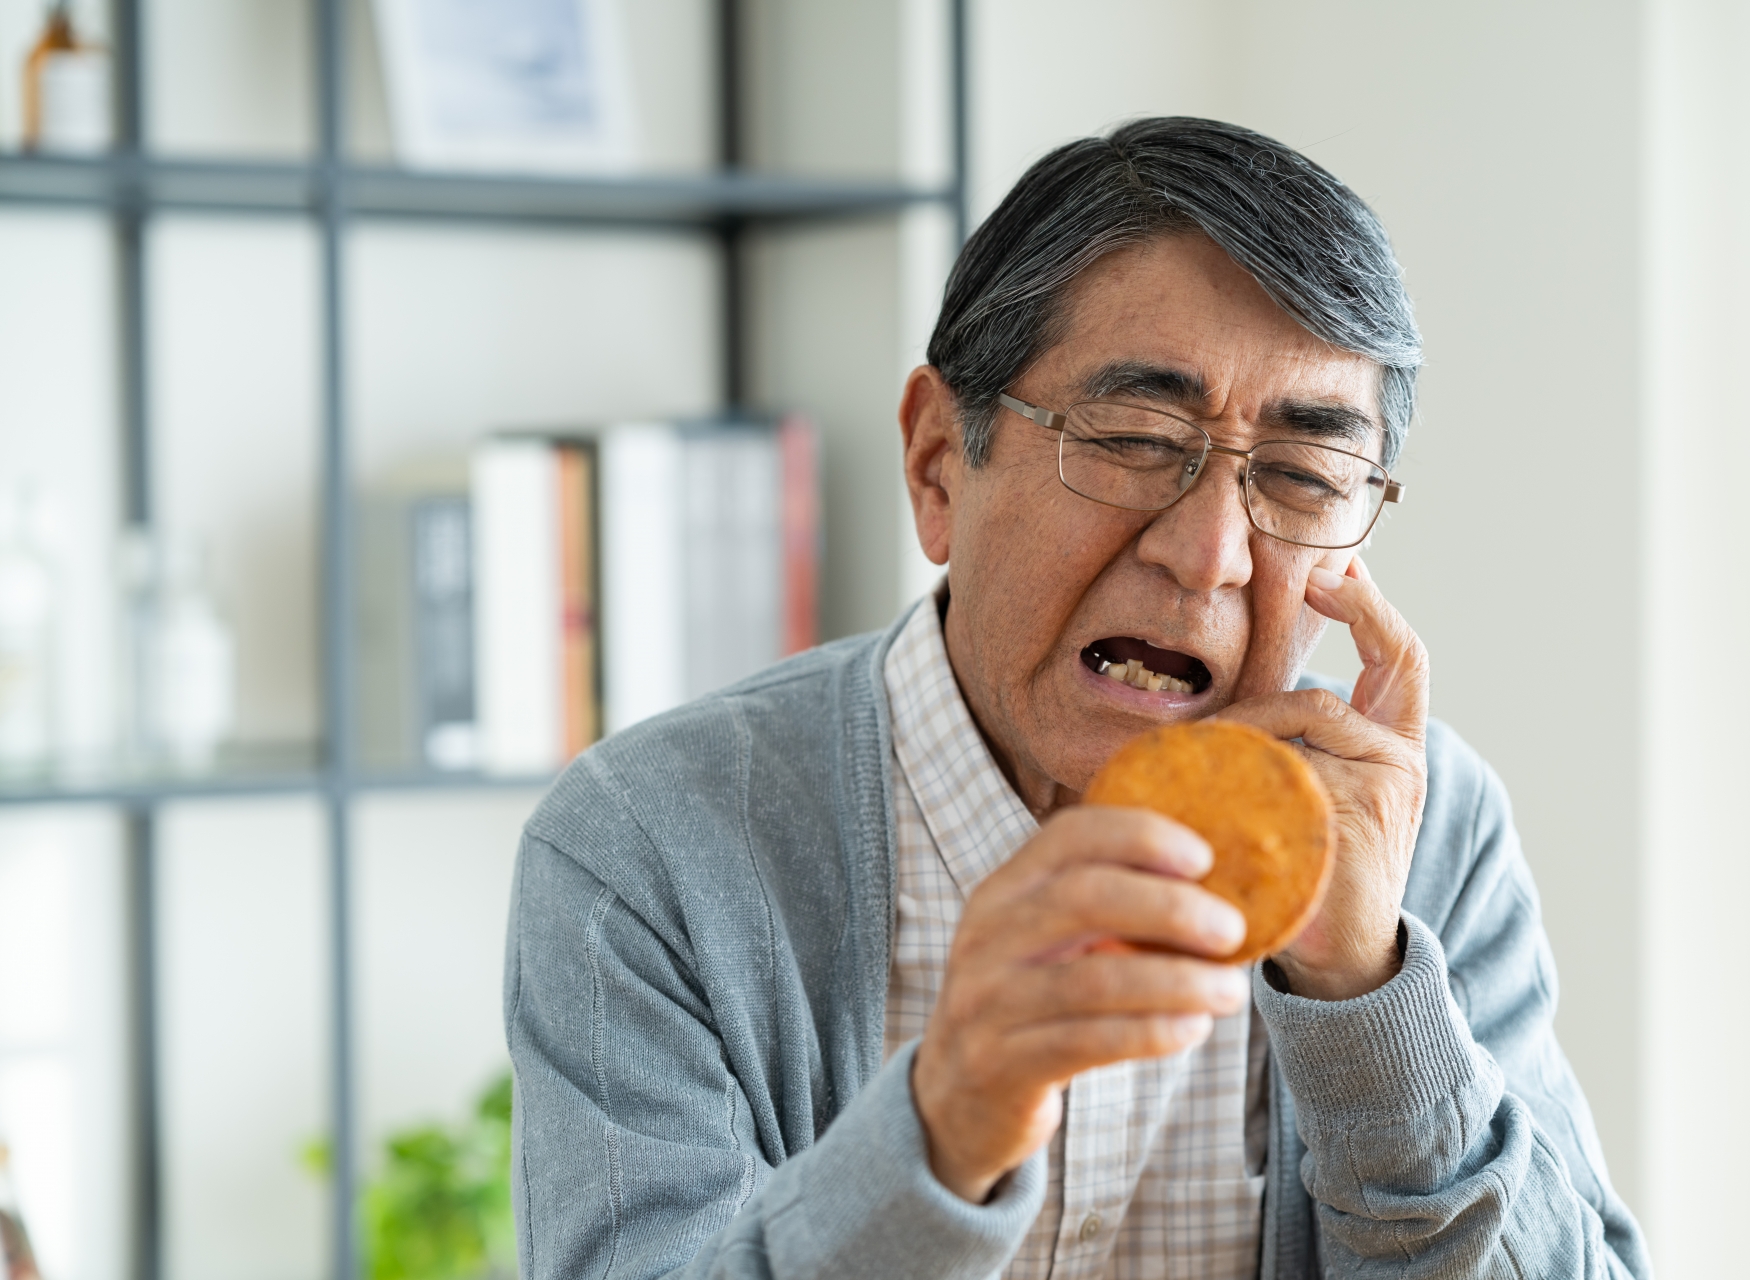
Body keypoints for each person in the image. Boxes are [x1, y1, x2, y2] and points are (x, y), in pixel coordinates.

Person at [504, 117, 1651, 1279]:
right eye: (1135, 438)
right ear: (938, 462)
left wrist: (1369, 999)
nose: (1210, 555)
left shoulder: (1423, 831)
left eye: (1303, 476)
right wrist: (940, 1132)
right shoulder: (652, 845)